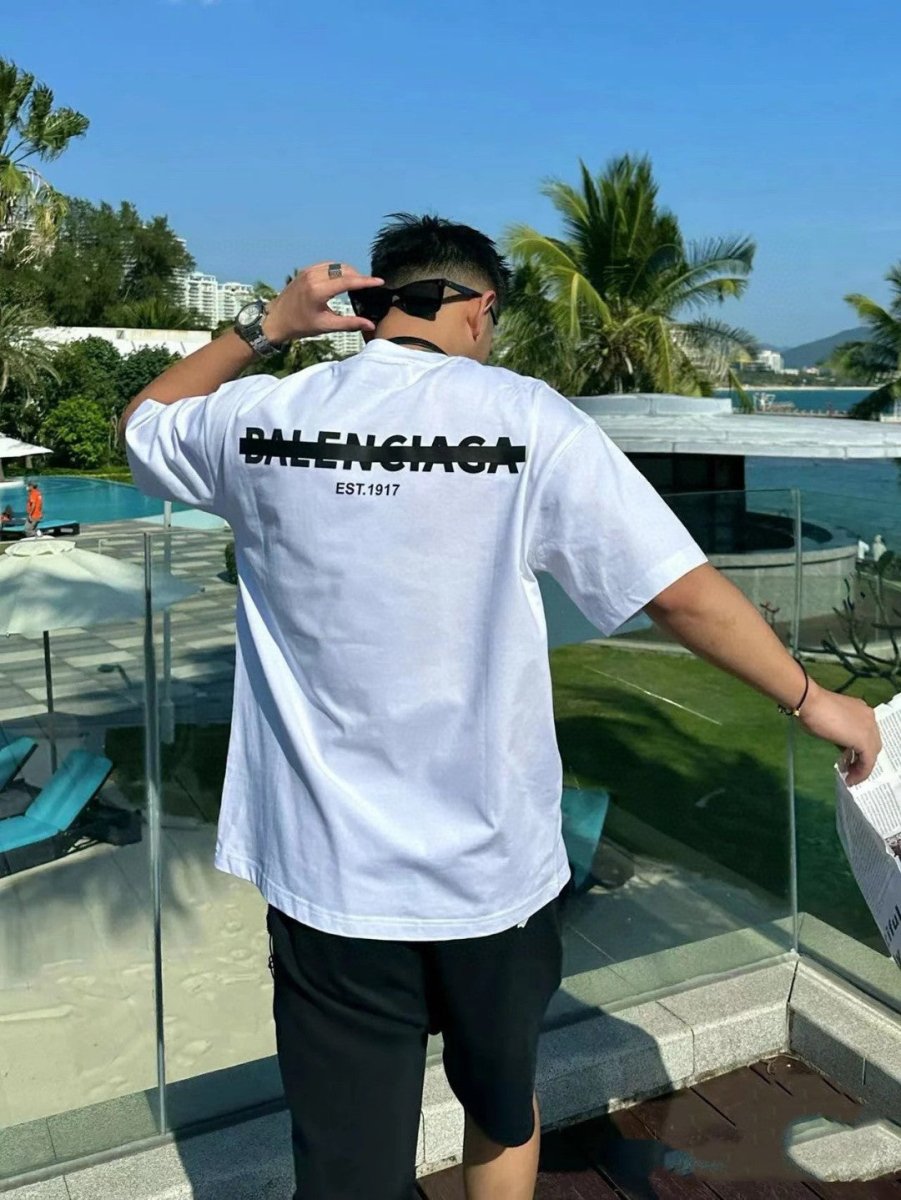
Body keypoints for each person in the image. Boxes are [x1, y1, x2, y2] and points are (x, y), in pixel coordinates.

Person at [119, 215, 880, 1200]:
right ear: (478, 309)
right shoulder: (527, 420)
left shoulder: (259, 417)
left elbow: (143, 421)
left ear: (372, 304)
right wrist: (815, 699)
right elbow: (678, 592)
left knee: (348, 1172)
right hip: (492, 875)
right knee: (500, 1106)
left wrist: (266, 328)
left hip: (325, 877)